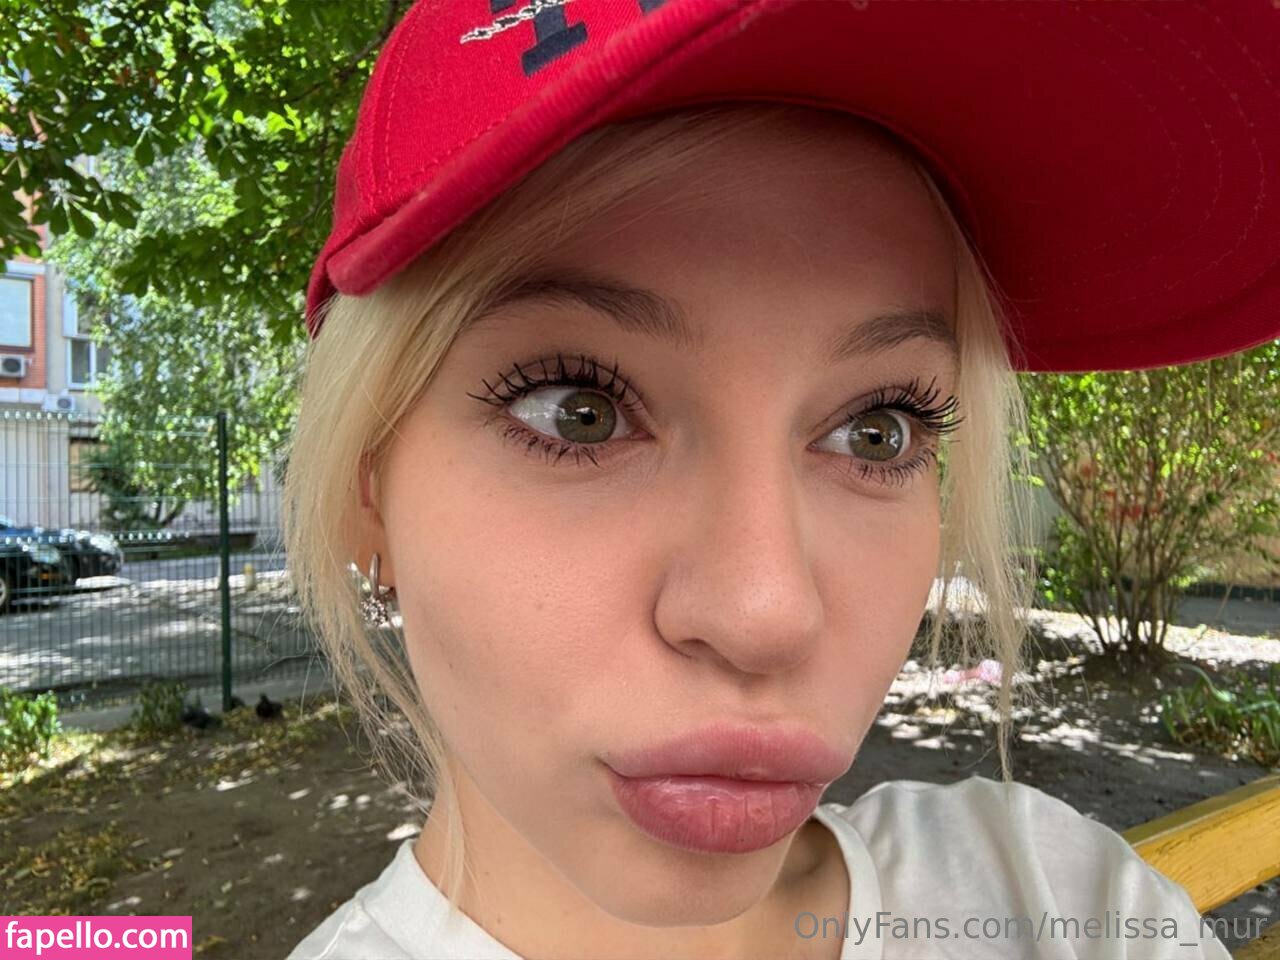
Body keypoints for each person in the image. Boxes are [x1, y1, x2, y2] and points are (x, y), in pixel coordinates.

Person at [282, 2, 1279, 958]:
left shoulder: (1054, 898)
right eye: (577, 410)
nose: (765, 614)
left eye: (877, 432)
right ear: (364, 497)